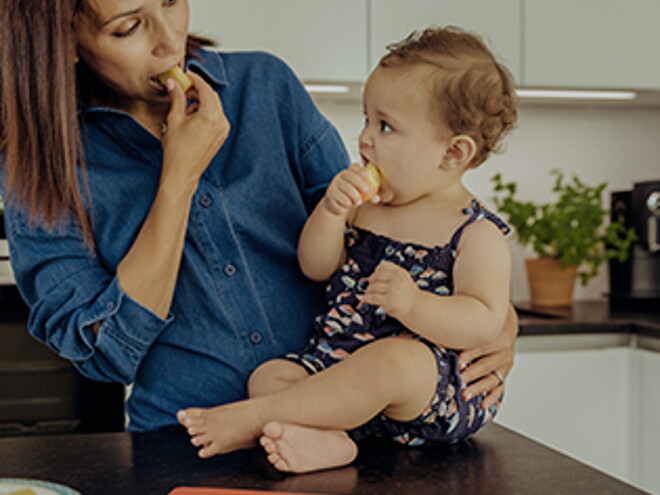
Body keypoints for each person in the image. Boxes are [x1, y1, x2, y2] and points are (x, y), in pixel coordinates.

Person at [0, 0, 516, 436]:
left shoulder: (266, 86)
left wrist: (494, 317)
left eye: (171, 0)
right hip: (187, 440)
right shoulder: (40, 164)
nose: (168, 42)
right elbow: (106, 356)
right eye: (129, 26)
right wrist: (177, 178)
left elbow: (370, 235)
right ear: (64, 40)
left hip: (341, 429)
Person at [177, 26, 518, 473]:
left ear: (453, 152)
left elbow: (483, 320)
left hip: (429, 393)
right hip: (337, 365)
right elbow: (316, 266)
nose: (365, 140)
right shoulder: (368, 209)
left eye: (386, 126)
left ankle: (252, 419)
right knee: (270, 376)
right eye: (366, 120)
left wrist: (414, 304)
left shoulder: (475, 233)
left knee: (394, 359)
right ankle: (332, 440)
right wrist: (331, 212)